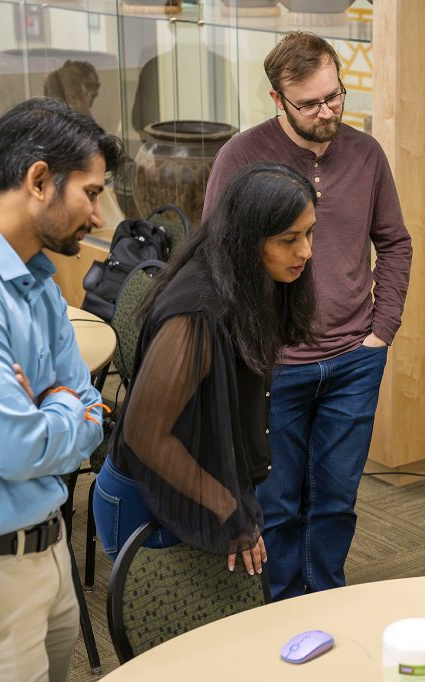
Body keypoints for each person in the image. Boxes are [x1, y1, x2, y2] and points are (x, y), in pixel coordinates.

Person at [202, 31, 411, 598]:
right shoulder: (240, 157)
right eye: (311, 103)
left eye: (335, 96)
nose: (328, 111)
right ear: (278, 100)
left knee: (336, 502)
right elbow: (215, 257)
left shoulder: (366, 154)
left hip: (354, 359)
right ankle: (279, 613)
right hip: (275, 364)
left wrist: (381, 330)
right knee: (279, 503)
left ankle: (327, 604)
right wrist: (251, 345)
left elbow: (394, 242)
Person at [93, 162, 317, 575]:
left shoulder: (242, 277)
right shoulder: (197, 312)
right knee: (179, 639)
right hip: (149, 502)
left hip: (198, 483)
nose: (306, 251)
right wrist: (228, 510)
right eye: (290, 239)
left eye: (308, 233)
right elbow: (146, 435)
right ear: (249, 239)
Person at [0, 97, 120, 681]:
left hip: (49, 543)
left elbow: (94, 413)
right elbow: (14, 446)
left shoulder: (37, 279)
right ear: (38, 180)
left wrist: (53, 405)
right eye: (91, 192)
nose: (99, 217)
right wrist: (63, 407)